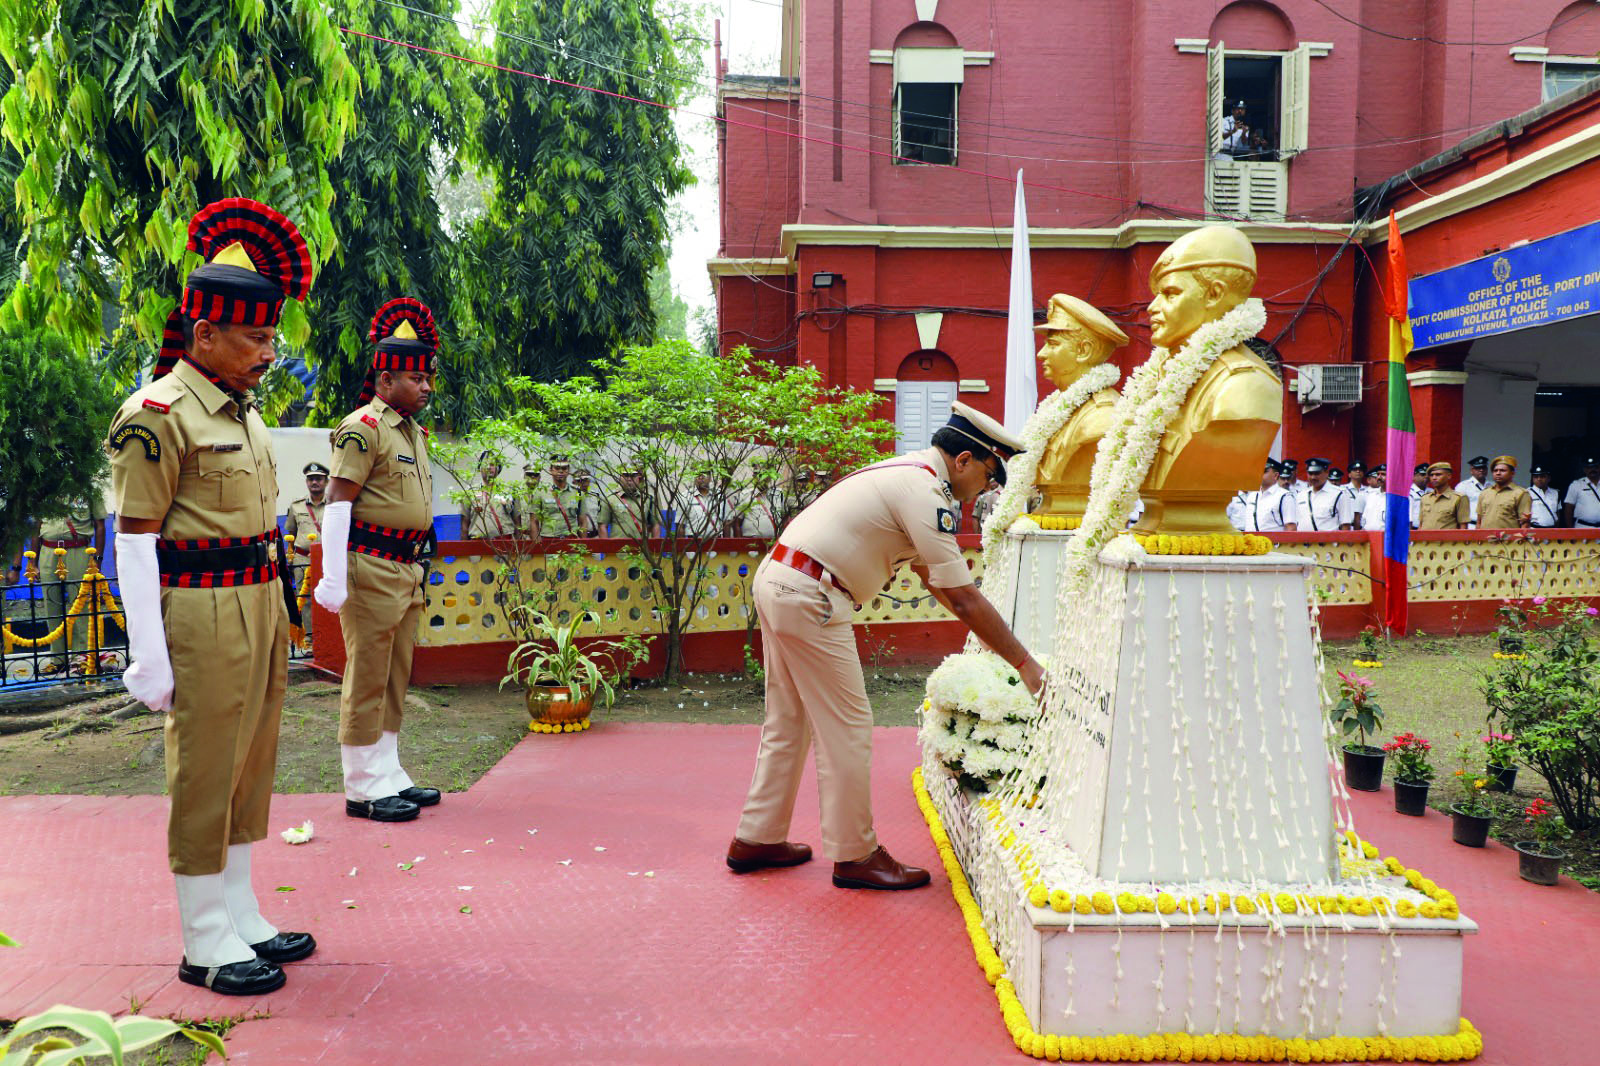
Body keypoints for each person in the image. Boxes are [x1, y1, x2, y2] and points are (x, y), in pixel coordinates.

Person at [106, 197, 315, 996]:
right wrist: (147, 658)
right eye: (257, 337)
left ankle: (240, 914)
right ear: (205, 336)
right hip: (199, 610)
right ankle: (203, 940)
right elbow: (133, 540)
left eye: (271, 335)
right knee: (204, 769)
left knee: (249, 761)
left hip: (259, 601)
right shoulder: (157, 415)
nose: (270, 351)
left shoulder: (243, 412)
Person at [729, 403, 1044, 891]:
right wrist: (1023, 662)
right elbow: (961, 595)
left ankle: (758, 836)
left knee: (788, 719)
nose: (986, 489)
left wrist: (988, 640)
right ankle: (855, 854)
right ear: (962, 460)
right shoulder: (926, 492)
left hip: (782, 580)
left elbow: (936, 580)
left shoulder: (907, 473)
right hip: (813, 592)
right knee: (849, 727)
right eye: (987, 475)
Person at [314, 298, 443, 825]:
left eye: (429, 378)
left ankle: (388, 772)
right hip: (370, 567)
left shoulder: (409, 430)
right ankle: (362, 786)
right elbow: (337, 502)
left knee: (395, 675)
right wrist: (332, 577)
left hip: (407, 569)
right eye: (416, 378)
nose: (427, 387)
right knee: (367, 676)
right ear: (386, 378)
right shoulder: (363, 427)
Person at [31, 491, 109, 674]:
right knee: (51, 606)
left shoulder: (88, 487)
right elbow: (36, 527)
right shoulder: (44, 488)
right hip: (48, 551)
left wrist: (97, 560)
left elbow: (100, 526)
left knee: (80, 603)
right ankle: (57, 659)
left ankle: (82, 659)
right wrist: (32, 562)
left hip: (78, 550)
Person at [285, 462, 329, 589]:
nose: (314, 482)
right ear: (306, 482)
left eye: (319, 479)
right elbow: (291, 534)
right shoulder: (296, 505)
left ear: (327, 482)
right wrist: (291, 559)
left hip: (328, 560)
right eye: (311, 479)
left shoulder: (334, 505)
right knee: (304, 600)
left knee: (330, 601)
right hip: (303, 560)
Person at [1230, 459, 1297, 533]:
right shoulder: (1252, 496)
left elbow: (1291, 527)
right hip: (1252, 542)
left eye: (1264, 471)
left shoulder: (1284, 496)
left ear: (1276, 476)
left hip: (1274, 543)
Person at [597, 466, 662, 538]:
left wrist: (655, 547)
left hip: (642, 547)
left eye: (633, 476)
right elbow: (602, 526)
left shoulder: (648, 499)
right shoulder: (610, 499)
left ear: (638, 478)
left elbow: (656, 525)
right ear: (620, 478)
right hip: (618, 547)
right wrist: (606, 548)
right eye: (626, 475)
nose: (629, 479)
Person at [463, 453, 516, 540]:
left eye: (492, 464)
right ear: (479, 468)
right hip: (478, 544)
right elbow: (464, 523)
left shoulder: (507, 490)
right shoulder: (470, 491)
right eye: (485, 464)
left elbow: (517, 521)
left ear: (498, 468)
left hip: (505, 544)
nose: (488, 467)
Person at [1294, 458, 1354, 531]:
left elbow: (1345, 525)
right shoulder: (1301, 495)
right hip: (1303, 541)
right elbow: (1296, 522)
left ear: (1326, 473)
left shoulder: (1339, 494)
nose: (1313, 477)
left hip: (1328, 541)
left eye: (1317, 473)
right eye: (1310, 473)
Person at [1475, 456, 1532, 531]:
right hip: (1485, 540)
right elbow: (1479, 521)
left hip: (1509, 540)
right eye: (1495, 471)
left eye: (1502, 470)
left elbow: (1525, 523)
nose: (1498, 473)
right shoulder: (1485, 493)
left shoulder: (1521, 493)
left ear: (1512, 473)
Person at [540, 456, 590, 537]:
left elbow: (583, 522)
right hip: (548, 539)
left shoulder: (578, 493)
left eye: (564, 468)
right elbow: (534, 521)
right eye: (557, 468)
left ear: (569, 471)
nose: (560, 471)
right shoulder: (541, 492)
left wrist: (583, 544)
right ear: (550, 470)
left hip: (571, 538)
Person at [1418, 461, 1471, 529]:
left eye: (1438, 474)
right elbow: (1421, 525)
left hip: (1447, 539)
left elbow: (1463, 527)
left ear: (1449, 476)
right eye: (1431, 475)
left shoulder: (1459, 498)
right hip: (1425, 539)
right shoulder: (1425, 498)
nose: (1434, 478)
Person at [678, 471, 729, 538]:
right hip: (693, 542)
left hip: (716, 540)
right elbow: (680, 526)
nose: (701, 477)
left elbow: (727, 523)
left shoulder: (720, 495)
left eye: (704, 474)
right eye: (697, 474)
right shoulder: (685, 496)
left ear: (710, 477)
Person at [1563, 457, 1600, 528]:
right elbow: (1568, 509)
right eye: (1589, 468)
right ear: (1584, 470)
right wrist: (1571, 531)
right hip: (1583, 527)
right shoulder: (1576, 485)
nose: (1592, 470)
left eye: (1595, 467)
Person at [1455, 455, 1488, 527]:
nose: (1481, 470)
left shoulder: (1493, 485)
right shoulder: (1463, 486)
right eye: (1478, 468)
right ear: (1471, 471)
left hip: (1489, 525)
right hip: (1471, 525)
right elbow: (1457, 508)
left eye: (1483, 468)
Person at [572, 467, 603, 536]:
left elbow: (601, 521)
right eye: (580, 480)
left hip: (594, 535)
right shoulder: (570, 497)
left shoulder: (596, 497)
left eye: (586, 480)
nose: (583, 483)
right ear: (574, 482)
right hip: (576, 536)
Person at [1358, 465, 1388, 532]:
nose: (1379, 477)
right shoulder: (1371, 495)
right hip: (1368, 538)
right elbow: (1364, 521)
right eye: (1378, 474)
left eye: (1383, 474)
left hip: (1386, 539)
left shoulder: (1397, 498)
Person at [1409, 462, 1429, 528]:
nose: (1426, 477)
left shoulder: (1432, 491)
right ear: (1414, 476)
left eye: (1428, 475)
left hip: (1429, 528)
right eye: (1422, 474)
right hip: (1413, 528)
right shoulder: (1408, 492)